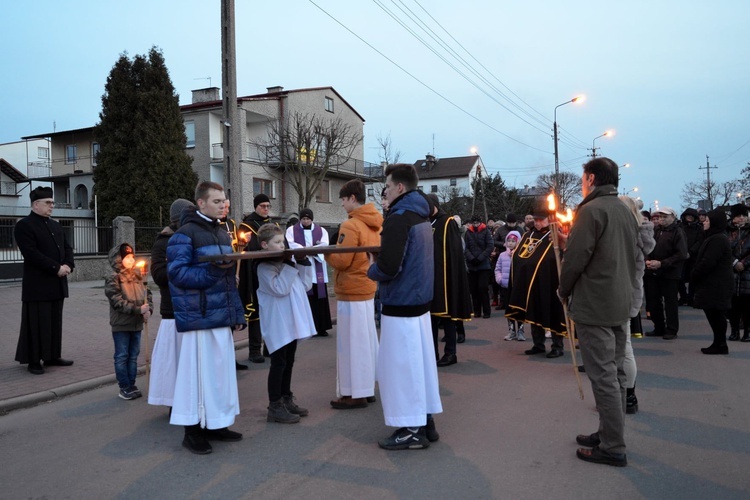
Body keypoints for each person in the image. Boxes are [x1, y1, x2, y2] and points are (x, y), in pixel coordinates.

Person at [558, 157, 638, 468]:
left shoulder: (590, 210)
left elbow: (576, 260)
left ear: (591, 178)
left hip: (596, 304)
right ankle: (608, 433)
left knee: (603, 376)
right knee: (615, 374)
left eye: (582, 178)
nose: (581, 183)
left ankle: (613, 446)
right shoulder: (622, 209)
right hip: (619, 301)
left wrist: (563, 289)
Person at [167, 181, 246, 455]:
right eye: (217, 201)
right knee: (197, 378)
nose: (223, 205)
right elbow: (176, 274)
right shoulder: (184, 234)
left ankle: (217, 424)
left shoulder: (223, 233)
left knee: (220, 376)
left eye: (224, 201)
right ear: (200, 203)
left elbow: (228, 280)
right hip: (199, 316)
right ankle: (192, 432)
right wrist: (212, 272)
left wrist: (236, 312)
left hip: (220, 315)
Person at [368, 163, 442, 450]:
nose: (384, 191)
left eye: (387, 186)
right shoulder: (421, 214)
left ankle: (412, 429)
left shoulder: (399, 218)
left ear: (400, 187)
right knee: (419, 366)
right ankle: (424, 421)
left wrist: (371, 271)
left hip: (402, 304)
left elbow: (389, 266)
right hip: (418, 303)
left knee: (403, 368)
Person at [326, 179, 382, 409]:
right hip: (367, 286)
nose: (341, 204)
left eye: (342, 199)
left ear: (351, 198)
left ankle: (354, 393)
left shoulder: (350, 226)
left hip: (351, 289)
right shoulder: (375, 223)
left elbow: (342, 260)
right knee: (367, 342)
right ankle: (367, 387)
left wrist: (327, 253)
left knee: (351, 345)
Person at [255, 224, 316, 423]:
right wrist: (290, 267)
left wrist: (303, 262)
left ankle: (286, 397)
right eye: (277, 242)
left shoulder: (285, 264)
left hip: (291, 322)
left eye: (283, 241)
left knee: (289, 361)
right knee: (278, 363)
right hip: (278, 324)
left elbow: (305, 285)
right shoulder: (263, 268)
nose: (282, 245)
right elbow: (279, 288)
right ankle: (275, 405)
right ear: (264, 245)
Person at [14, 186, 75, 375]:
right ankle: (33, 360)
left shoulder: (55, 225)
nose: (52, 206)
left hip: (57, 284)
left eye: (52, 203)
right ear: (35, 205)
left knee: (54, 322)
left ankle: (52, 356)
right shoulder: (24, 225)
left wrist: (68, 265)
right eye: (48, 203)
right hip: (38, 285)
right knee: (37, 323)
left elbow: (67, 248)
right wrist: (56, 268)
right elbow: (31, 253)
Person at [506, 199, 567, 358]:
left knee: (552, 313)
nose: (538, 223)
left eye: (541, 220)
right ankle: (538, 344)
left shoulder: (554, 235)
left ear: (549, 219)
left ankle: (557, 346)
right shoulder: (528, 234)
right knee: (533, 312)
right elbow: (521, 256)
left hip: (549, 281)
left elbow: (558, 256)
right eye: (536, 220)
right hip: (530, 283)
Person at [148, 198, 194, 408]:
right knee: (173, 361)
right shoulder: (162, 242)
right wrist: (182, 268)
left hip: (193, 308)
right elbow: (159, 276)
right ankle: (173, 402)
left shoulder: (192, 238)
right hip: (173, 310)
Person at [425, 193, 472, 367]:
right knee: (430, 319)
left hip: (445, 278)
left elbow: (454, 253)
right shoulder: (425, 222)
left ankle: (450, 353)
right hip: (429, 277)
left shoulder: (447, 222)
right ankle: (432, 353)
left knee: (447, 317)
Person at [104, 243, 153, 400]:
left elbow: (148, 295)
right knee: (122, 355)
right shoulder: (114, 277)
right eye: (127, 257)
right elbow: (116, 301)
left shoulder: (138, 276)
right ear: (119, 259)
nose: (131, 260)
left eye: (132, 257)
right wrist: (138, 310)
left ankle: (132, 384)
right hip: (122, 324)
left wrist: (148, 310)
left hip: (137, 323)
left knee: (133, 355)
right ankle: (124, 386)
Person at [239, 194, 277, 363]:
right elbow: (249, 247)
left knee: (270, 311)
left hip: (272, 272)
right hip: (253, 272)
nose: (266, 209)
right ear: (256, 207)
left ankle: (270, 347)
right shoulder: (246, 225)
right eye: (263, 206)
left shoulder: (273, 224)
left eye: (268, 206)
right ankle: (254, 350)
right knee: (256, 312)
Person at [692, 209, 733, 354]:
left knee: (715, 314)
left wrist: (694, 275)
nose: (704, 222)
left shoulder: (717, 239)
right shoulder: (713, 237)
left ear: (714, 223)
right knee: (714, 313)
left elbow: (708, 262)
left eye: (708, 220)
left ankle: (720, 344)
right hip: (714, 282)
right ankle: (718, 343)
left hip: (716, 283)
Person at [286, 208, 333, 337]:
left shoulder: (321, 231)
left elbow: (324, 244)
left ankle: (321, 327)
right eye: (303, 219)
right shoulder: (291, 231)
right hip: (302, 267)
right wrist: (305, 251)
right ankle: (307, 328)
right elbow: (291, 244)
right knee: (306, 296)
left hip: (317, 267)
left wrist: (310, 250)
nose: (306, 221)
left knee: (320, 296)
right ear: (300, 219)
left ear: (312, 219)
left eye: (308, 219)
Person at [644, 207, 687, 340]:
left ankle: (671, 329)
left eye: (665, 216)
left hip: (669, 273)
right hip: (652, 271)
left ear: (673, 217)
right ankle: (659, 327)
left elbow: (681, 254)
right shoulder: (655, 230)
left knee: (670, 302)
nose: (661, 219)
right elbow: (648, 247)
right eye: (660, 216)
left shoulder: (677, 232)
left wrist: (662, 263)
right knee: (653, 300)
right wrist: (647, 260)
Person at [220, 199, 249, 370]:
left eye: (228, 207)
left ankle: (231, 358)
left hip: (233, 272)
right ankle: (223, 360)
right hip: (223, 273)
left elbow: (237, 247)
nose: (225, 210)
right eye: (223, 206)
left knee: (232, 318)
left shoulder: (231, 223)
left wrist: (244, 243)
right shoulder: (213, 225)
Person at [495, 231, 525, 341]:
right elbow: (497, 268)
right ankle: (511, 331)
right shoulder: (502, 255)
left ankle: (521, 331)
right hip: (505, 286)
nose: (511, 243)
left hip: (517, 287)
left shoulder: (521, 254)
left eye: (513, 241)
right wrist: (500, 279)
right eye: (509, 241)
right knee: (508, 308)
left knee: (519, 308)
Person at [727, 203, 750, 342]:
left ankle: (747, 331)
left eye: (744, 216)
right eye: (738, 216)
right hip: (731, 273)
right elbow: (724, 250)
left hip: (748, 272)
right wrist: (734, 262)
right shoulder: (727, 231)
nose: (741, 219)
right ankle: (734, 330)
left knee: (747, 305)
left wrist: (744, 263)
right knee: (732, 305)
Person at [464, 214, 494, 319]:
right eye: (474, 223)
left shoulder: (486, 231)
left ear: (480, 222)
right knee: (474, 289)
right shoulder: (468, 232)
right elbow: (465, 247)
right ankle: (476, 311)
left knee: (483, 288)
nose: (475, 225)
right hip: (472, 264)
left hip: (483, 264)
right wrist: (471, 258)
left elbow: (490, 246)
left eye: (477, 223)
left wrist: (481, 257)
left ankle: (486, 311)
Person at [678, 208, 704, 306]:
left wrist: (691, 251)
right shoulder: (680, 227)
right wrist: (683, 252)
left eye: (692, 216)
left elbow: (700, 241)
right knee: (680, 278)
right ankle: (683, 296)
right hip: (681, 256)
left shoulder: (698, 228)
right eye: (688, 216)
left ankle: (691, 297)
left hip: (693, 257)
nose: (689, 218)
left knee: (693, 278)